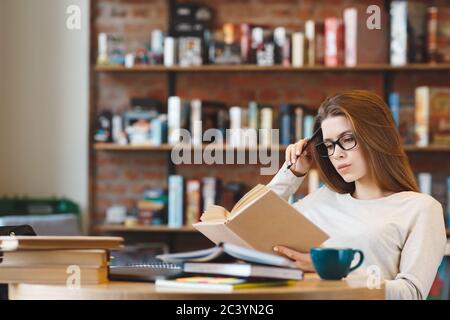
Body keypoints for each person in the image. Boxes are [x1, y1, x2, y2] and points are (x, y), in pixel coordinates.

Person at [267, 90, 446, 300]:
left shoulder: (420, 209)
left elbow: (410, 294)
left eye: (348, 139)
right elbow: (254, 222)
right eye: (329, 145)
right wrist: (291, 173)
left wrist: (334, 273)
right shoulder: (321, 200)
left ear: (376, 137)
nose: (337, 153)